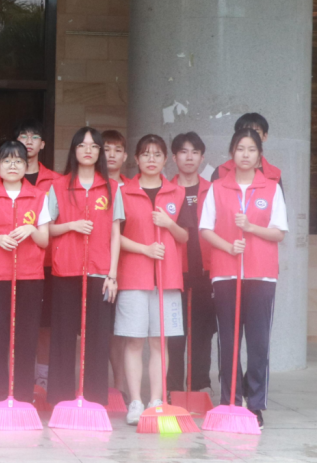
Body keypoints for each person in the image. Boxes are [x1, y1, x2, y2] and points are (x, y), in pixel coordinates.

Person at [200, 128, 287, 430]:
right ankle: (230, 400)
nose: (245, 154)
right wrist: (228, 247)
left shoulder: (271, 188)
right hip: (226, 273)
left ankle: (256, 404)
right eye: (240, 149)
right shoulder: (218, 188)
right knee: (228, 340)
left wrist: (250, 228)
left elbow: (279, 232)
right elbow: (205, 229)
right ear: (231, 154)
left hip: (261, 274)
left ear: (260, 155)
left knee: (259, 342)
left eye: (251, 149)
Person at [46, 127, 122, 408]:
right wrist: (71, 226)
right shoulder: (58, 186)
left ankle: (94, 401)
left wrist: (113, 274)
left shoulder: (112, 187)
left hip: (100, 273)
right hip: (66, 271)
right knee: (63, 337)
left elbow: (116, 233)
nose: (87, 150)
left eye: (93, 146)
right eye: (82, 145)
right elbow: (46, 229)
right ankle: (60, 400)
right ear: (74, 150)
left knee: (97, 340)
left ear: (100, 152)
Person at [115, 135, 187, 426]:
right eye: (145, 154)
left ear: (165, 159)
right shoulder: (123, 192)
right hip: (133, 276)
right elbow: (114, 237)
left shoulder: (177, 192)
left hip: (167, 278)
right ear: (136, 159)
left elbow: (186, 236)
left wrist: (168, 224)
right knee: (134, 341)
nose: (151, 159)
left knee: (159, 342)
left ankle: (156, 400)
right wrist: (144, 249)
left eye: (157, 154)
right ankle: (135, 401)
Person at [0, 140, 51, 404]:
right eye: (7, 160)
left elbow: (44, 240)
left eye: (18, 160)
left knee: (26, 338)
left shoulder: (39, 196)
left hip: (30, 277)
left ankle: (23, 398)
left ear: (27, 165)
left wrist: (32, 229)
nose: (13, 165)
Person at [166, 131, 215, 397]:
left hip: (206, 271)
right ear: (174, 157)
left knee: (203, 332)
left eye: (194, 152)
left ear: (202, 157)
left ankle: (200, 384)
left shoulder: (213, 189)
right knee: (175, 332)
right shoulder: (166, 190)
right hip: (175, 272)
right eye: (183, 152)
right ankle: (173, 386)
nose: (189, 157)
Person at [15, 119, 59, 394]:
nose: (28, 141)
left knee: (44, 325)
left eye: (34, 137)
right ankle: (17, 377)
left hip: (47, 263)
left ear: (42, 144)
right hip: (12, 263)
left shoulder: (56, 181)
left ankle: (41, 378)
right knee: (15, 324)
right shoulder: (1, 178)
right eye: (23, 136)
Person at [101, 129, 129, 398]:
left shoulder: (131, 188)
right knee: (102, 329)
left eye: (117, 150)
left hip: (128, 269)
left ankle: (119, 388)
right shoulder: (93, 185)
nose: (111, 155)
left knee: (120, 332)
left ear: (125, 156)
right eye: (106, 149)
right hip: (100, 268)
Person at [212, 113, 284, 188]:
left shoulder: (274, 174)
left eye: (256, 132)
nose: (250, 135)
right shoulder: (221, 171)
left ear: (265, 136)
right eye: (244, 131)